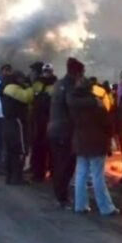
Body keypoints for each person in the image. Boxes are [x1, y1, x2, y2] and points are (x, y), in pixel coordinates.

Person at [70, 73, 119, 216]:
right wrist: (110, 138)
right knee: (97, 176)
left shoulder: (73, 103)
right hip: (96, 142)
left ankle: (80, 206)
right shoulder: (96, 103)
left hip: (80, 141)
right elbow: (106, 123)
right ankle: (106, 208)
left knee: (81, 175)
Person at [48, 58, 84, 209]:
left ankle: (60, 196)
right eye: (82, 72)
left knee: (60, 164)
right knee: (65, 165)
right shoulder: (69, 85)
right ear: (77, 72)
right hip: (64, 131)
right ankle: (61, 198)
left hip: (54, 129)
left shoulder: (58, 84)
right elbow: (72, 104)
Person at [0, 71, 33, 185]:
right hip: (17, 125)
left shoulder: (6, 88)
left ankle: (9, 176)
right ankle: (17, 177)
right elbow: (28, 96)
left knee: (10, 151)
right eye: (21, 79)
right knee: (20, 151)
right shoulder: (13, 89)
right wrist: (30, 85)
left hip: (8, 124)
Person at [31, 63, 57, 182]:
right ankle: (38, 173)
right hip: (38, 120)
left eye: (49, 71)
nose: (47, 73)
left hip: (52, 120)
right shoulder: (36, 83)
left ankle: (53, 171)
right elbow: (31, 98)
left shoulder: (56, 85)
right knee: (38, 146)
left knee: (52, 147)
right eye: (45, 71)